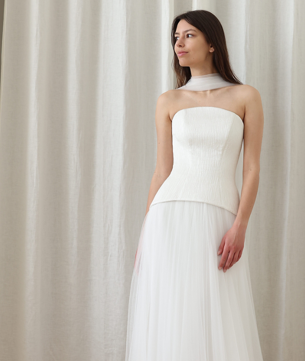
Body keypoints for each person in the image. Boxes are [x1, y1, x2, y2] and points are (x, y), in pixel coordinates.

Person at [125, 9, 264, 361]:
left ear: (212, 43)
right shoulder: (169, 101)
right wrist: (145, 233)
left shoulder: (245, 96)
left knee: (216, 312)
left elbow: (251, 168)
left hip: (220, 218)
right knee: (173, 312)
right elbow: (161, 171)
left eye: (188, 35)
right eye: (176, 37)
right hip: (168, 216)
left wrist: (240, 226)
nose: (179, 43)